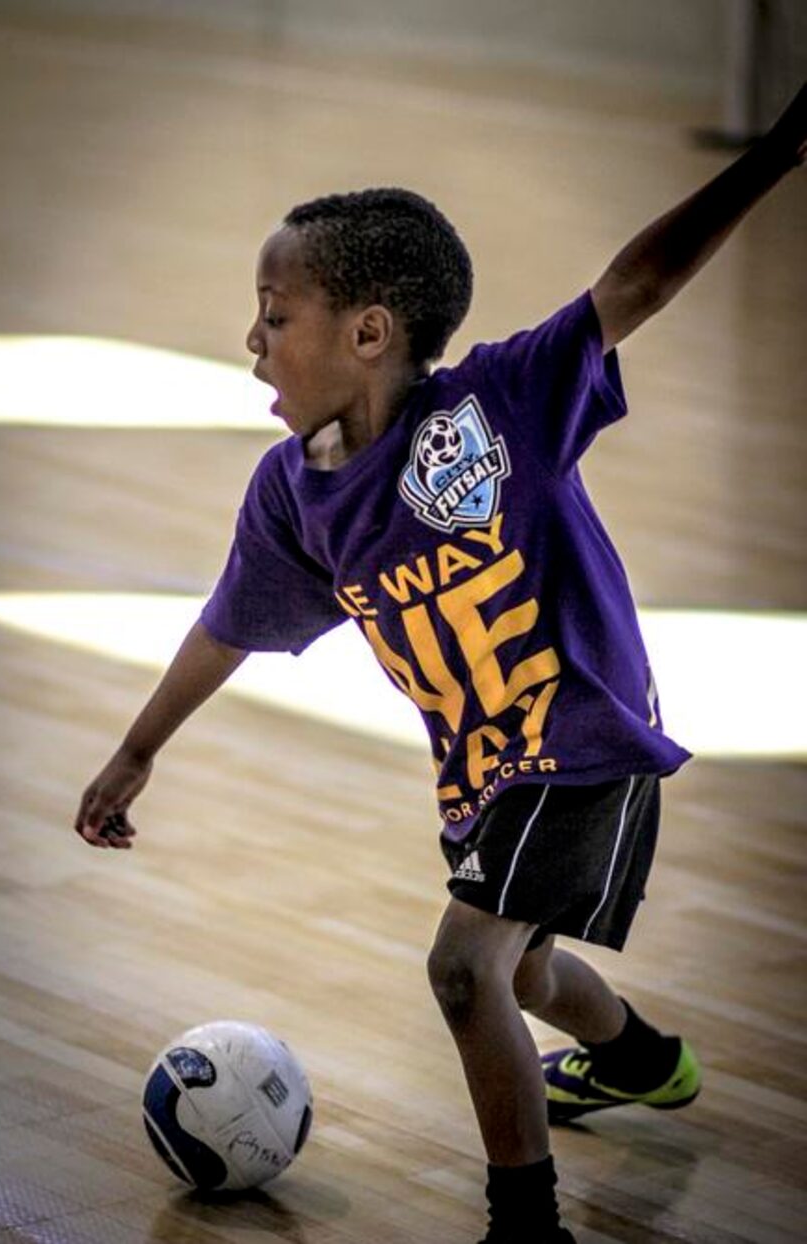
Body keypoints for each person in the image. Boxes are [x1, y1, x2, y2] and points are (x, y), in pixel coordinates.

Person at [75, 86, 805, 1244]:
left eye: (274, 315)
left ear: (367, 332)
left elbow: (631, 288)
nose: (251, 341)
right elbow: (229, 623)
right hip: (481, 766)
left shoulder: (496, 405)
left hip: (583, 733)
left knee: (464, 967)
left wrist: (774, 157)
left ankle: (526, 1222)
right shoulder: (293, 494)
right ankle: (638, 1058)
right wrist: (135, 748)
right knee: (519, 976)